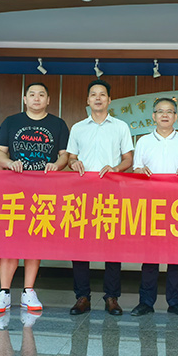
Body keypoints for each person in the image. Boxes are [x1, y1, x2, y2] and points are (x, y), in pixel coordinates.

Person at [0, 82, 70, 316]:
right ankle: (4, 292)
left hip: (43, 191)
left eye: (41, 95)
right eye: (32, 94)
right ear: (25, 99)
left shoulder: (58, 124)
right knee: (10, 239)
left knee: (34, 239)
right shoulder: (11, 122)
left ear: (48, 100)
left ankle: (28, 291)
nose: (37, 98)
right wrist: (9, 163)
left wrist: (57, 165)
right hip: (13, 190)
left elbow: (64, 155)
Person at [65, 79, 133, 316]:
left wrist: (115, 168)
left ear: (109, 100)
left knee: (112, 245)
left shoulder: (120, 127)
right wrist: (74, 162)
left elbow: (128, 159)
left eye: (102, 94)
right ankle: (82, 296)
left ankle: (112, 297)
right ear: (87, 100)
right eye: (93, 94)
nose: (97, 98)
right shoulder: (78, 127)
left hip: (111, 191)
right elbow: (71, 156)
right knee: (80, 244)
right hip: (82, 193)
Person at [130, 97, 178, 318]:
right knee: (150, 255)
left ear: (176, 116)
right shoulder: (144, 141)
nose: (165, 115)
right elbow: (137, 168)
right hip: (151, 203)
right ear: (153, 116)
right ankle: (146, 302)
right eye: (160, 111)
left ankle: (175, 302)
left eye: (169, 112)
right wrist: (140, 171)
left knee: (176, 256)